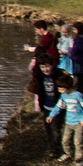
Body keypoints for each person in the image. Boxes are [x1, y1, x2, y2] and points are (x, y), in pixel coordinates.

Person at [26, 22, 62, 150]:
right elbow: (34, 86)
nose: (45, 69)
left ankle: (58, 146)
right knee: (47, 127)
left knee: (56, 127)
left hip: (58, 105)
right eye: (43, 67)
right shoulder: (39, 76)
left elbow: (64, 87)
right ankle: (53, 148)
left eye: (47, 67)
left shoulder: (58, 75)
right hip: (46, 105)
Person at [45, 73, 83, 166]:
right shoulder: (63, 96)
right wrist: (51, 116)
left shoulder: (78, 95)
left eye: (61, 89)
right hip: (68, 122)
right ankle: (68, 154)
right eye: (59, 89)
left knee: (78, 141)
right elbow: (58, 107)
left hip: (78, 123)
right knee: (65, 140)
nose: (59, 91)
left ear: (68, 87)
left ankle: (79, 158)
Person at [68, 22, 83, 92]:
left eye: (75, 29)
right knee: (81, 74)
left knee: (80, 74)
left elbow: (77, 49)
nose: (74, 31)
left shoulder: (80, 39)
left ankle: (82, 88)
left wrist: (70, 49)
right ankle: (81, 87)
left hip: (79, 58)